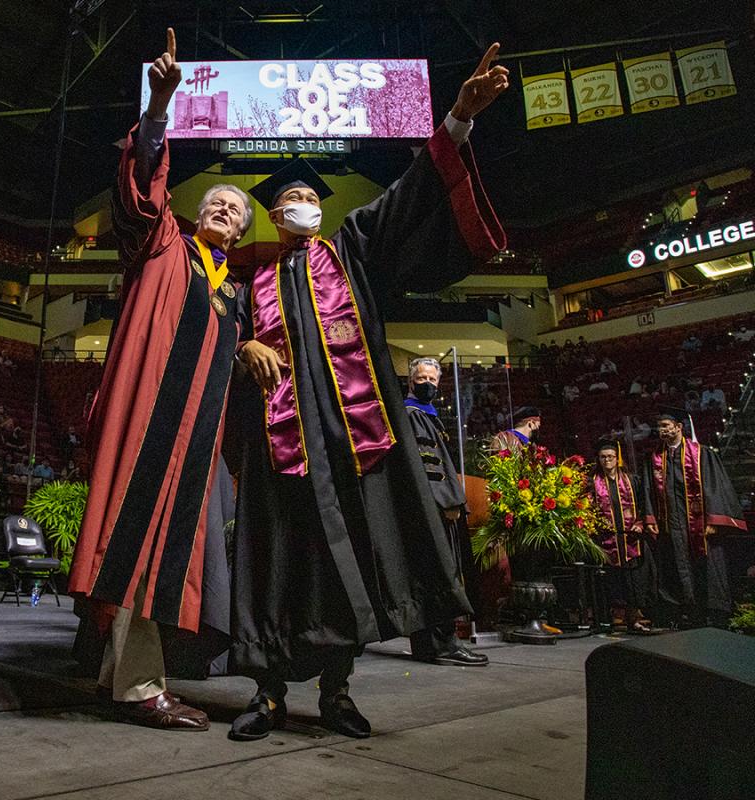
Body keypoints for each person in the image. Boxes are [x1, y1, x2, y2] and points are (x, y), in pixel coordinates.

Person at [226, 43, 508, 741]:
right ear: (274, 214)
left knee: (343, 563)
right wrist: (243, 346)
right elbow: (215, 346)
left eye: (306, 197)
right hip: (279, 449)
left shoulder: (352, 250)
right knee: (276, 565)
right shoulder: (248, 282)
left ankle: (337, 693)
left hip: (352, 443)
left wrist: (457, 122)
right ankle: (264, 697)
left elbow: (411, 195)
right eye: (288, 200)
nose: (299, 205)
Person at [69, 28, 252, 731]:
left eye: (235, 211)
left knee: (154, 550)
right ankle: (142, 688)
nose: (223, 211)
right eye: (216, 202)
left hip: (193, 443)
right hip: (149, 424)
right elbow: (142, 186)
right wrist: (157, 112)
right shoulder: (163, 242)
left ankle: (125, 678)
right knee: (136, 539)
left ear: (238, 233)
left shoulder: (231, 295)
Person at [404, 357, 487, 667]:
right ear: (411, 381)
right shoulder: (414, 416)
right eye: (422, 378)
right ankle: (445, 644)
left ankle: (427, 645)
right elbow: (429, 467)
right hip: (436, 510)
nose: (428, 383)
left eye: (433, 379)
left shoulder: (425, 415)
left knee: (428, 573)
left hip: (429, 509)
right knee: (442, 572)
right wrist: (447, 502)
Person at [642, 410, 747, 627]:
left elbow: (715, 487)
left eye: (665, 425)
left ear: (679, 427)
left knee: (707, 567)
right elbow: (648, 490)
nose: (661, 430)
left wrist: (712, 520)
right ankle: (687, 612)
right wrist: (651, 518)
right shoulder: (655, 459)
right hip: (671, 525)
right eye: (659, 426)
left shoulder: (701, 454)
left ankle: (715, 614)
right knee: (676, 565)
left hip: (699, 525)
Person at [591, 442, 656, 632]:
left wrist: (639, 524)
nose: (607, 460)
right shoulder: (592, 482)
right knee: (612, 580)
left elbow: (644, 505)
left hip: (631, 539)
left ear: (617, 458)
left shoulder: (632, 480)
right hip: (606, 539)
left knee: (634, 579)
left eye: (610, 456)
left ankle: (634, 617)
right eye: (603, 457)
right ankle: (615, 617)